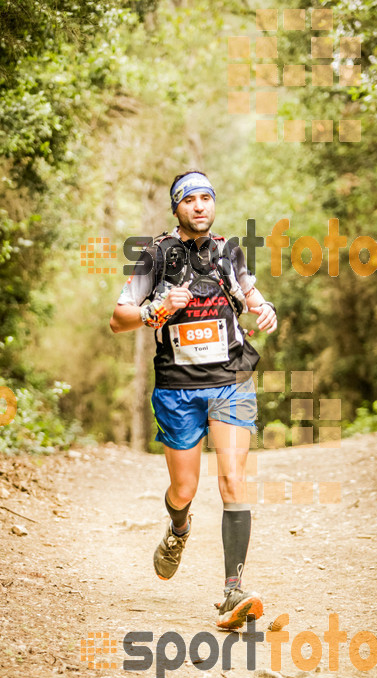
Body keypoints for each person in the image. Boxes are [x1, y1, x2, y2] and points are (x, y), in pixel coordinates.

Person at [110, 170, 277, 629]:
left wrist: (265, 310)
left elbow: (254, 296)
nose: (200, 206)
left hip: (230, 382)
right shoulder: (155, 255)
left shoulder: (229, 252)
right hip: (178, 388)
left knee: (232, 482)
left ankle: (232, 590)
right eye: (190, 199)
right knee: (184, 489)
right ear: (177, 208)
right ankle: (179, 527)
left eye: (207, 198)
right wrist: (152, 312)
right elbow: (117, 318)